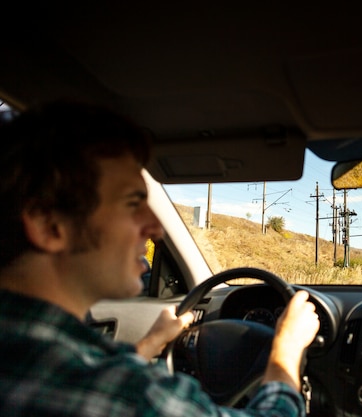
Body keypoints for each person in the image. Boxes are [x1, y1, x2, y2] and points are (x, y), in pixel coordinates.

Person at [0, 100, 320, 416]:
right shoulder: (128, 394)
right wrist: (285, 352)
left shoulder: (41, 363)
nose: (156, 229)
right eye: (131, 203)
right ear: (49, 225)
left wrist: (152, 342)